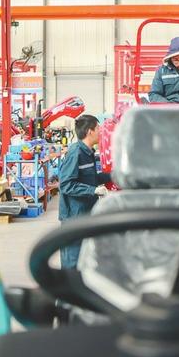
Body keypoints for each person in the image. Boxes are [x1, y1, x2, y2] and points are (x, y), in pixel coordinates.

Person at [58, 114, 112, 268]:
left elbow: (91, 178)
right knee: (73, 260)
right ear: (90, 131)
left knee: (83, 258)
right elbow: (66, 184)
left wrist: (114, 175)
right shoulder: (76, 153)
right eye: (99, 129)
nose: (101, 132)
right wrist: (93, 190)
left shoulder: (88, 153)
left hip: (85, 213)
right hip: (74, 216)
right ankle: (68, 284)